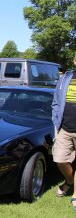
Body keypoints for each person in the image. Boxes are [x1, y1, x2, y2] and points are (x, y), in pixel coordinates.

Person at [52, 54, 76, 209]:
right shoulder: (65, 78)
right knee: (59, 158)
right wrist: (56, 121)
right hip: (65, 128)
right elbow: (56, 101)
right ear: (74, 61)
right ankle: (69, 181)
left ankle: (75, 195)